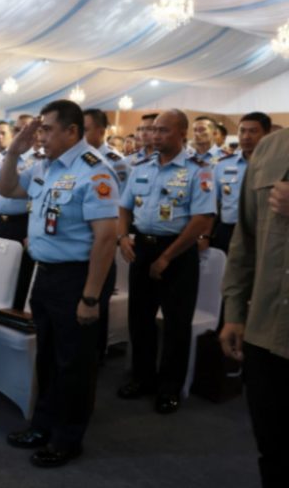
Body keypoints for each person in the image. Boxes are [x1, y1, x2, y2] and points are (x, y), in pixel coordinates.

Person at [0, 100, 118, 468]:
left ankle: (68, 438)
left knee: (74, 364)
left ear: (71, 131)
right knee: (48, 357)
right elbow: (7, 190)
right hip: (46, 275)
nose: (40, 136)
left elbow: (106, 238)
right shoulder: (44, 167)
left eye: (47, 129)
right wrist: (13, 152)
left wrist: (90, 297)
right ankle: (43, 424)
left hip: (76, 278)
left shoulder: (95, 172)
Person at [117, 109, 216, 414]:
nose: (155, 136)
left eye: (163, 131)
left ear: (181, 134)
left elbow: (202, 219)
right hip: (143, 249)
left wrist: (167, 257)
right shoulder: (141, 166)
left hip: (178, 252)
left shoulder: (198, 170)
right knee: (140, 319)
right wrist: (122, 237)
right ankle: (143, 377)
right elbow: (124, 206)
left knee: (176, 324)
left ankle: (168, 386)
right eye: (153, 130)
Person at [220, 125, 289, 488]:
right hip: (266, 331)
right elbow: (244, 241)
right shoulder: (269, 150)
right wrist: (234, 312)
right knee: (273, 449)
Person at [83, 109, 130, 360]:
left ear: (101, 131)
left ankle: (96, 355)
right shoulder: (75, 159)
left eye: (86, 129)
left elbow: (122, 206)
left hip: (100, 242)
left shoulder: (115, 162)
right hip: (77, 246)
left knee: (95, 304)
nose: (80, 134)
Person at [0, 114, 41, 311]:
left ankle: (17, 312)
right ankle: (1, 309)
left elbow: (37, 199)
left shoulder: (39, 160)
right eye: (18, 129)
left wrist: (32, 232)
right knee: (1, 273)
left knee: (21, 274)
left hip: (24, 224)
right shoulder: (7, 157)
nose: (21, 133)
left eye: (26, 128)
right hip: (4, 223)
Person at [211, 112, 270, 253]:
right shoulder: (222, 165)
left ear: (267, 134)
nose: (246, 136)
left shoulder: (275, 165)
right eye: (242, 131)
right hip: (228, 230)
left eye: (253, 131)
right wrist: (205, 235)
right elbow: (212, 204)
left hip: (263, 232)